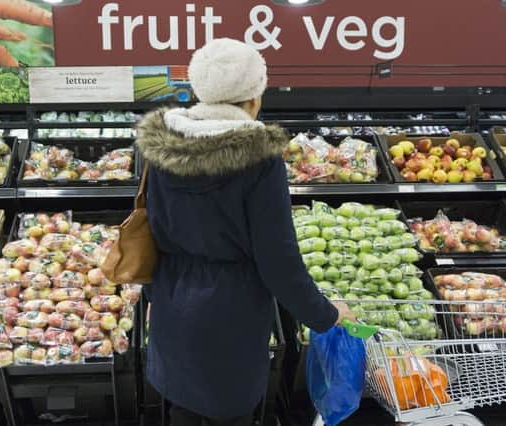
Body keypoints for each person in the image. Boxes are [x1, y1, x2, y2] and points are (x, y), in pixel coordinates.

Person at [136, 38, 355, 426]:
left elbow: (152, 230)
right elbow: (279, 262)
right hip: (231, 316)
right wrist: (325, 315)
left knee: (181, 409)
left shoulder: (160, 148)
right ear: (254, 98)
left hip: (172, 305)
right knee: (230, 413)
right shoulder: (261, 162)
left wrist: (155, 294)